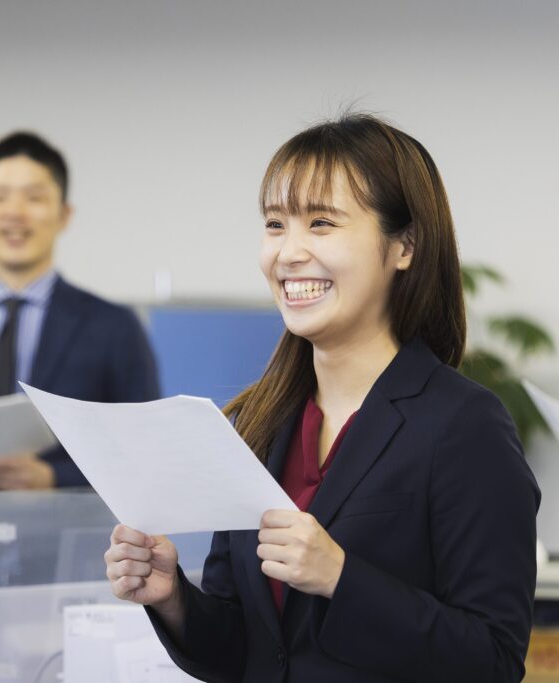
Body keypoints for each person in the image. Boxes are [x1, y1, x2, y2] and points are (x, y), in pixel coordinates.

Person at [105, 115, 540, 682]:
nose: (289, 253)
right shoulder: (259, 424)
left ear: (403, 246)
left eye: (322, 223)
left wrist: (341, 577)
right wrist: (173, 599)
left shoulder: (463, 425)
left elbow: (493, 659)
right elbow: (249, 653)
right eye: (275, 224)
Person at [0, 131, 159, 490]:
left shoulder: (113, 327)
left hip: (68, 540)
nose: (14, 213)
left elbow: (142, 448)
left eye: (34, 198)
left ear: (64, 214)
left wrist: (52, 479)